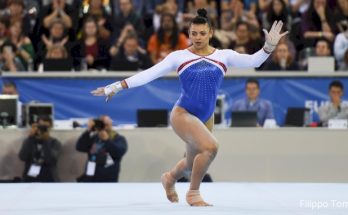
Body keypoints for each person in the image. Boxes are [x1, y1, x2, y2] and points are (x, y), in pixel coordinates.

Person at [91, 9, 287, 206]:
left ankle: (169, 178)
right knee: (211, 147)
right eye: (194, 33)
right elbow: (148, 74)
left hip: (206, 117)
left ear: (211, 33)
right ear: (189, 33)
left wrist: (268, 47)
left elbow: (254, 61)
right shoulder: (178, 57)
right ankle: (193, 194)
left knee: (191, 163)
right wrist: (115, 87)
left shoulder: (224, 55)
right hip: (183, 114)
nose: (198, 37)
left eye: (202, 33)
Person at [76, 116, 128, 182]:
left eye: (106, 125)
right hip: (90, 178)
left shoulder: (118, 139)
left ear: (111, 124)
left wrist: (107, 140)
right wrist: (88, 131)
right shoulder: (94, 138)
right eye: (102, 125)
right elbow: (80, 147)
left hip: (108, 179)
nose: (104, 128)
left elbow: (118, 152)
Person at [19, 116, 62, 182]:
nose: (42, 129)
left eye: (45, 127)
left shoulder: (55, 143)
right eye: (41, 126)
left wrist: (46, 140)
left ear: (50, 128)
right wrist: (30, 138)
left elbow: (51, 161)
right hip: (30, 176)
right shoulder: (30, 140)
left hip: (49, 175)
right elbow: (22, 157)